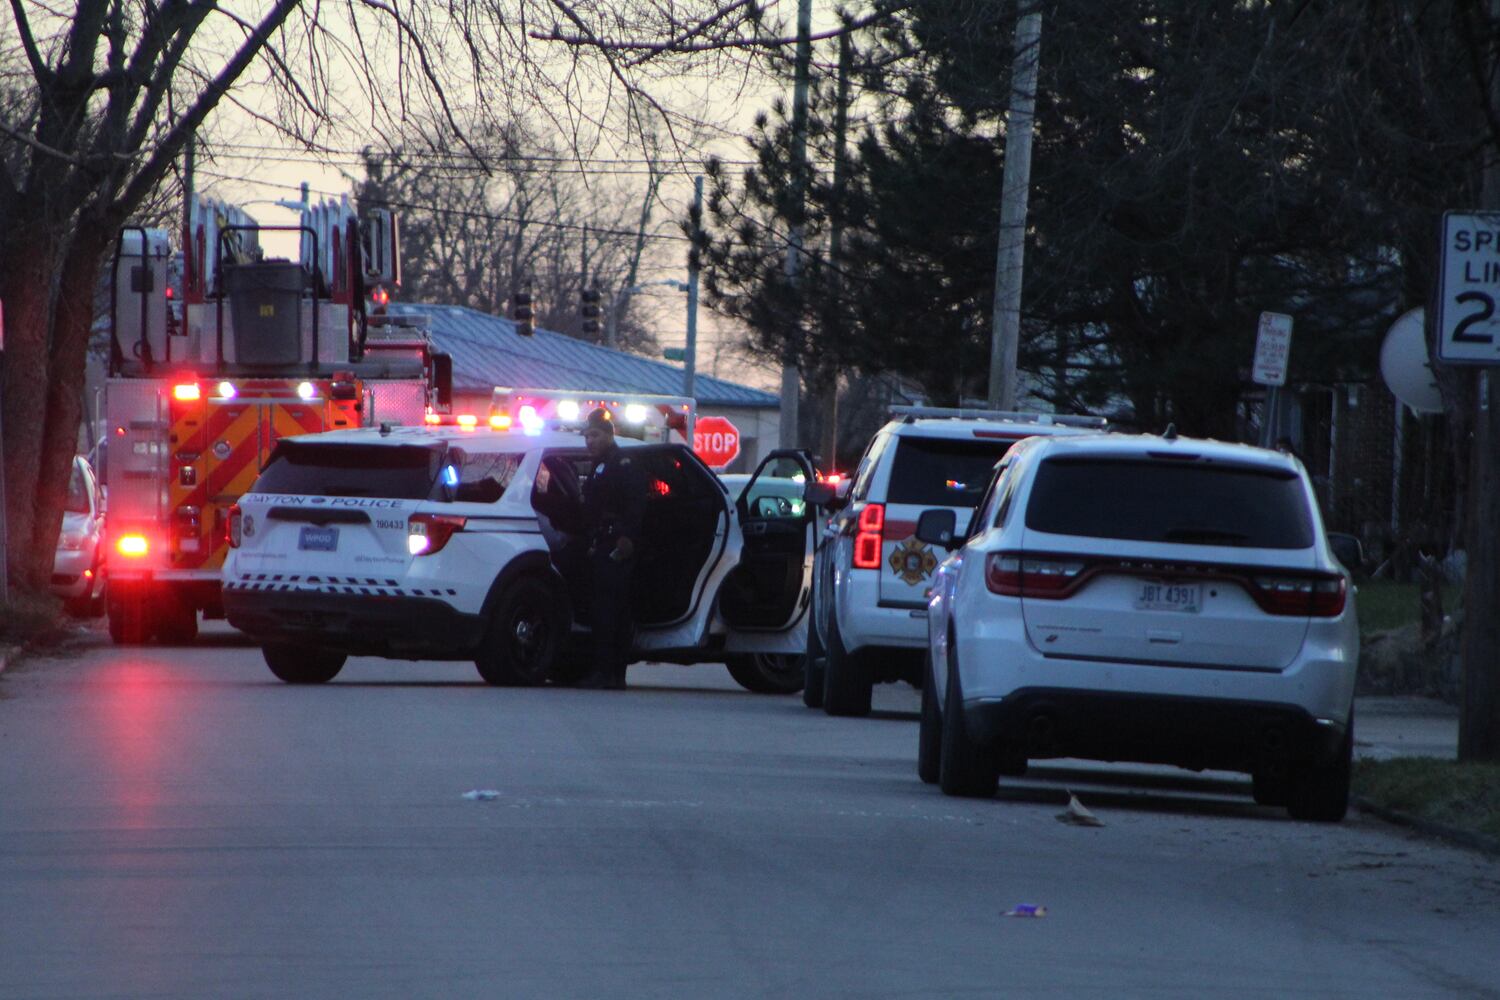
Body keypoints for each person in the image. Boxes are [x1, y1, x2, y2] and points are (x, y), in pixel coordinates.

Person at [577, 407, 646, 689]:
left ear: (608, 435)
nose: (589, 441)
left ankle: (611, 673)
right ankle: (609, 673)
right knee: (603, 610)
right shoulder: (600, 464)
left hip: (617, 545)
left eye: (594, 435)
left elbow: (635, 504)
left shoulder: (623, 463)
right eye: (587, 436)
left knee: (612, 612)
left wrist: (627, 539)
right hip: (603, 543)